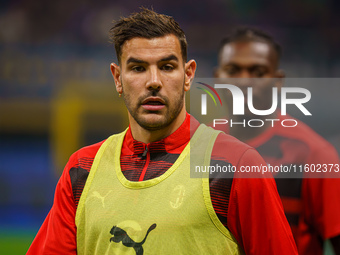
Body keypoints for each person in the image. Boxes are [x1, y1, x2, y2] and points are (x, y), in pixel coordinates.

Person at [27, 9, 298, 254]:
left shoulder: (236, 165)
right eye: (138, 68)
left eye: (167, 67)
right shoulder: (82, 169)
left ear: (188, 75)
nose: (154, 82)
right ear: (118, 78)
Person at [214, 26, 340, 255]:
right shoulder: (200, 145)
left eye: (258, 72)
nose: (243, 82)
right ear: (217, 78)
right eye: (233, 70)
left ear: (278, 81)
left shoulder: (314, 153)